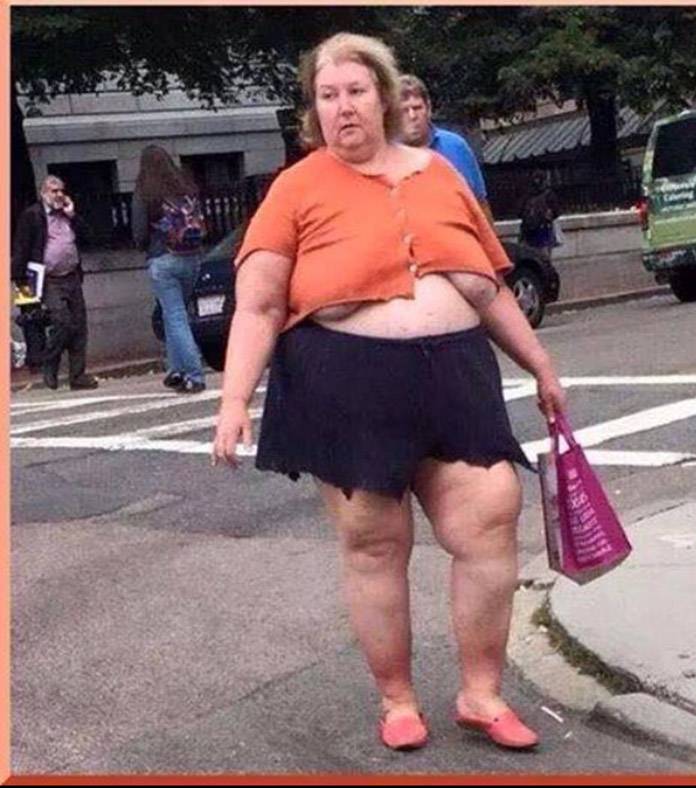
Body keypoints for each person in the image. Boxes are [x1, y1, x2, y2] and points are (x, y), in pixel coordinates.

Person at [212, 33, 566, 752]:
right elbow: (258, 305)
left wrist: (541, 367)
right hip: (345, 381)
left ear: (385, 95)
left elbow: (487, 289)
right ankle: (398, 699)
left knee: (491, 514)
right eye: (327, 96)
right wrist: (233, 400)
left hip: (456, 375)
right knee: (375, 543)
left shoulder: (441, 174)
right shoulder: (297, 188)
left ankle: (481, 693)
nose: (343, 107)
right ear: (314, 109)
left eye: (355, 91)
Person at [11, 175, 98, 390]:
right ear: (43, 194)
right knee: (62, 322)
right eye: (53, 191)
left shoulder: (68, 215)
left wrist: (73, 215)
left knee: (79, 326)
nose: (59, 195)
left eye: (61, 191)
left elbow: (90, 237)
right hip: (48, 279)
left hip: (71, 276)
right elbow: (21, 249)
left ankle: (77, 376)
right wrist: (21, 284)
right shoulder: (32, 216)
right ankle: (50, 361)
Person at [132, 146, 207, 393]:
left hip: (162, 258)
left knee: (175, 316)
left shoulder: (146, 191)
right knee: (173, 313)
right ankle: (176, 369)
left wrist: (145, 247)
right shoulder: (185, 188)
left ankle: (194, 374)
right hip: (192, 257)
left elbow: (139, 232)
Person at [399, 74, 496, 225]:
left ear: (428, 109)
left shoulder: (455, 146)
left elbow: (480, 205)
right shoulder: (385, 156)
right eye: (404, 110)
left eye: (417, 108)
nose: (412, 116)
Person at [518, 171, 560, 259]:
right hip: (540, 229)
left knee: (533, 254)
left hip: (532, 229)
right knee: (542, 254)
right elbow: (556, 212)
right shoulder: (548, 194)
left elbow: (519, 212)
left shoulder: (528, 195)